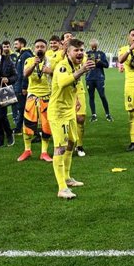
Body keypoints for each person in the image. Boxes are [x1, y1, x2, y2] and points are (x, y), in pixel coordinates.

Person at [49, 38, 95, 199]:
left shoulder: (75, 66)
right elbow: (63, 82)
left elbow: (73, 86)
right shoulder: (63, 66)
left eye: (81, 50)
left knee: (72, 142)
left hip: (68, 111)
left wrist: (75, 99)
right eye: (76, 50)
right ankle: (62, 188)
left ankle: (67, 178)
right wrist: (82, 70)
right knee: (59, 148)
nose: (80, 53)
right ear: (68, 52)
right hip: (58, 112)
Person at [18, 39, 53, 162]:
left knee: (46, 125)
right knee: (27, 123)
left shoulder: (51, 61)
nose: (39, 49)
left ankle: (44, 152)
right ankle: (27, 150)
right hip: (32, 96)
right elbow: (25, 74)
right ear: (34, 49)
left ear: (46, 48)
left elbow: (58, 76)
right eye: (37, 46)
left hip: (47, 96)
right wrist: (34, 64)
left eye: (42, 46)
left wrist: (51, 71)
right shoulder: (29, 60)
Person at [86, 39, 112, 122]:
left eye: (95, 46)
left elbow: (106, 65)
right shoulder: (87, 54)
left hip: (99, 78)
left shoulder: (101, 54)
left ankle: (108, 114)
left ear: (97, 45)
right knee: (91, 96)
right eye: (92, 45)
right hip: (89, 78)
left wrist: (99, 61)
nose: (93, 47)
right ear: (90, 45)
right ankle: (94, 115)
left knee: (102, 96)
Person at [12, 38, 33, 134]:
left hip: (21, 86)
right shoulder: (22, 55)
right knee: (21, 107)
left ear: (22, 44)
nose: (15, 46)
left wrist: (24, 86)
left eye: (16, 44)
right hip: (18, 85)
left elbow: (26, 73)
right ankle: (21, 127)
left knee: (22, 108)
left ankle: (20, 127)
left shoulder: (26, 55)